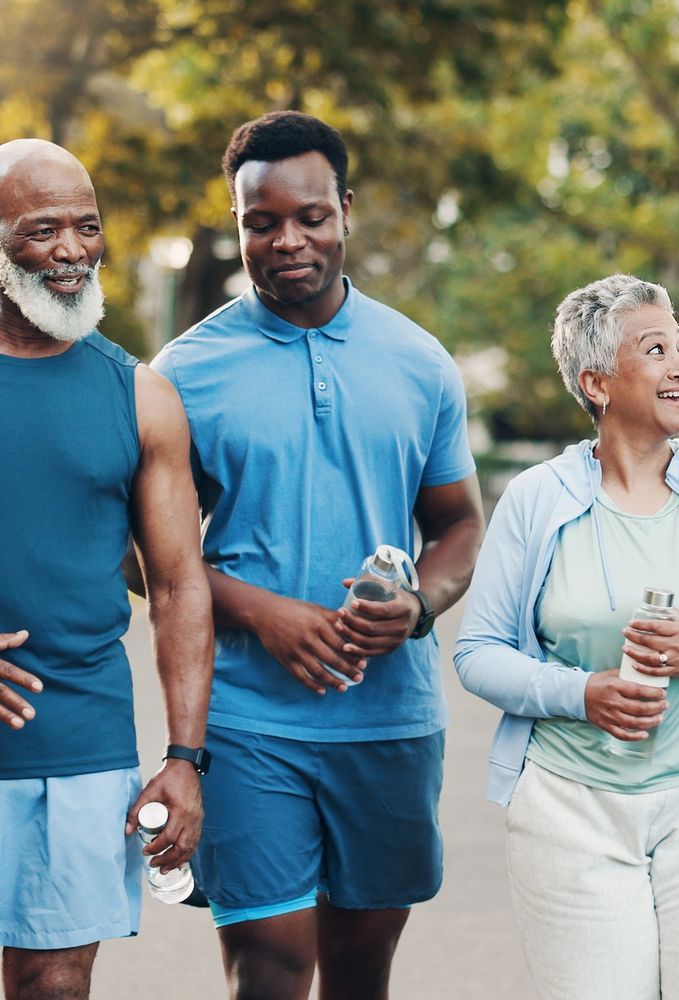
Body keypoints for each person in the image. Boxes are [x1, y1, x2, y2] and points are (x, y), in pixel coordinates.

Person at [150, 110, 485, 1000]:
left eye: (309, 216)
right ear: (238, 227)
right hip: (250, 722)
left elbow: (458, 524)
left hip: (390, 724)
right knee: (269, 967)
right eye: (260, 222)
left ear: (346, 210)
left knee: (361, 970)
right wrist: (265, 614)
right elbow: (147, 557)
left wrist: (417, 607)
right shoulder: (183, 375)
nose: (286, 240)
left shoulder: (421, 363)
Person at [455, 273, 679, 999]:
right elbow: (477, 652)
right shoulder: (536, 500)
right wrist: (581, 693)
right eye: (657, 349)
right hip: (571, 813)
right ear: (597, 383)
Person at [0, 139, 213, 1000]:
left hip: (80, 740)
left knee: (55, 984)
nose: (72, 250)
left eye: (87, 227)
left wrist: (185, 756)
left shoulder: (139, 395)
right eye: (41, 229)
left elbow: (177, 584)